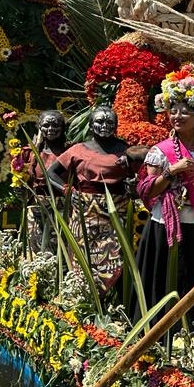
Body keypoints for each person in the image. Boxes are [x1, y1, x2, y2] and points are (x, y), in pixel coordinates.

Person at [134, 65, 194, 331]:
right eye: (172, 110)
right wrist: (170, 172)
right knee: (166, 286)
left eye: (185, 111)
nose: (177, 116)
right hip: (166, 232)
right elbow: (146, 190)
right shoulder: (161, 151)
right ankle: (159, 337)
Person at [47, 105, 133, 293]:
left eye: (109, 122)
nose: (104, 126)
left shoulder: (126, 150)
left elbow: (138, 177)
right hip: (84, 213)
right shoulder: (78, 149)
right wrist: (66, 190)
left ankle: (110, 302)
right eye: (99, 121)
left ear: (117, 125)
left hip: (116, 214)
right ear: (91, 124)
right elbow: (51, 173)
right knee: (83, 258)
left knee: (116, 258)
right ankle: (83, 301)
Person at [17, 109, 68, 252]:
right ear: (39, 127)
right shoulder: (29, 154)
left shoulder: (70, 153)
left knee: (62, 251)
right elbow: (24, 182)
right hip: (37, 208)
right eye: (46, 125)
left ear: (63, 128)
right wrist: (21, 191)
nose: (50, 129)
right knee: (37, 250)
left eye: (55, 125)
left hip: (63, 208)